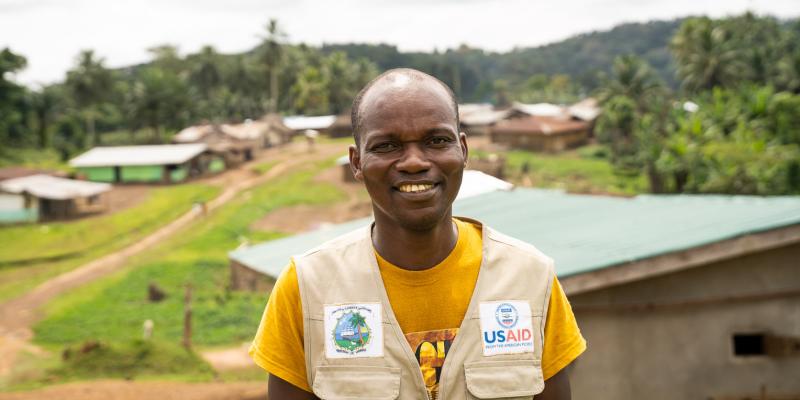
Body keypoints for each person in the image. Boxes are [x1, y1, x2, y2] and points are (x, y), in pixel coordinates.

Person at [250, 68, 586, 400]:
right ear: (356, 162)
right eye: (386, 146)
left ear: (463, 150)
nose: (413, 162)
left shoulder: (529, 278)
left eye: (436, 141)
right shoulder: (307, 288)